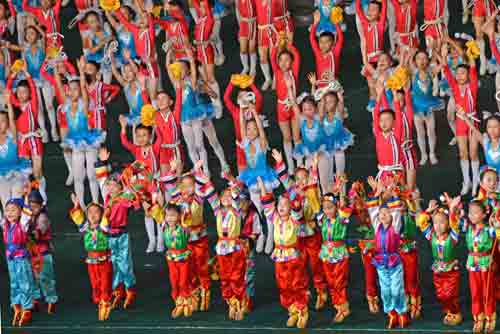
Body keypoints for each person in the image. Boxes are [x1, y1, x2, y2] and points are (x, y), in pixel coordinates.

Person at [258, 177, 309, 329]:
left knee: (296, 282)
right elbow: (267, 204)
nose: (281, 207)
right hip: (279, 254)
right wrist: (262, 186)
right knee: (283, 283)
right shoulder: (275, 218)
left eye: (285, 205)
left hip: (292, 254)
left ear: (290, 208)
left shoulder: (294, 219)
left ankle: (302, 310)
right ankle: (291, 309)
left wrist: (296, 193)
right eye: (279, 205)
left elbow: (297, 207)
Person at [56, 57, 105, 207]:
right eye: (70, 90)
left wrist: (82, 72)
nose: (72, 91)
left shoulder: (85, 104)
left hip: (89, 140)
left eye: (75, 88)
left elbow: (84, 89)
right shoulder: (66, 105)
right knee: (78, 176)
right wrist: (55, 69)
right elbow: (58, 85)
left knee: (91, 175)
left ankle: (96, 201)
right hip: (75, 141)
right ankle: (81, 204)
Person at [95, 147, 138, 310]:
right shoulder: (106, 196)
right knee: (112, 263)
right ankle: (118, 290)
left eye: (115, 185)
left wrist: (130, 177)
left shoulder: (124, 197)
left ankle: (130, 289)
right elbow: (101, 179)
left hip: (122, 235)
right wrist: (103, 162)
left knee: (125, 264)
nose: (111, 188)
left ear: (121, 187)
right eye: (110, 185)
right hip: (108, 236)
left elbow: (135, 199)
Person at [366, 176, 409, 329]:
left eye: (386, 213)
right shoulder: (377, 226)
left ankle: (401, 312)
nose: (383, 215)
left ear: (392, 216)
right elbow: (372, 211)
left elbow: (396, 211)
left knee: (396, 289)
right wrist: (376, 193)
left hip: (394, 262)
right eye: (381, 213)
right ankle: (391, 313)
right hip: (381, 263)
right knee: (385, 291)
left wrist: (392, 194)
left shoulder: (395, 227)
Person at [119, 115, 164, 253]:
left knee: (159, 212)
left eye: (144, 135)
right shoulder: (137, 149)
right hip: (143, 186)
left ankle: (161, 241)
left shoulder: (154, 148)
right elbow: (125, 143)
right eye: (138, 136)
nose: (141, 138)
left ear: (150, 137)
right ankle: (152, 240)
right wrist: (123, 128)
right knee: (148, 213)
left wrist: (156, 126)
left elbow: (161, 139)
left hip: (155, 184)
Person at [416, 193, 463, 325]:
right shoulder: (432, 236)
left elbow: (455, 224)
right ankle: (449, 311)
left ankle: (455, 312)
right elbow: (421, 222)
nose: (438, 225)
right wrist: (428, 211)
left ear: (447, 224)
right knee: (441, 294)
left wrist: (452, 209)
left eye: (442, 222)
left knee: (450, 294)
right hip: (438, 269)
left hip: (450, 270)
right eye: (435, 222)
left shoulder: (452, 237)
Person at [440, 43, 479, 195]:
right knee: (463, 153)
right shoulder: (454, 87)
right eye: (458, 73)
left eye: (463, 73)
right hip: (460, 122)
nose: (459, 75)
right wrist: (443, 56)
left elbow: (473, 67)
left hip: (472, 120)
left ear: (468, 75)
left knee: (473, 153)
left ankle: (476, 182)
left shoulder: (473, 85)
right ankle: (467, 182)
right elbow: (446, 70)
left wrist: (470, 55)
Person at [69, 193, 113, 321]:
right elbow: (78, 218)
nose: (93, 215)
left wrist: (107, 209)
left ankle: (105, 302)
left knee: (105, 282)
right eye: (90, 213)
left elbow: (106, 219)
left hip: (104, 259)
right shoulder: (85, 228)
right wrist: (76, 205)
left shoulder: (103, 228)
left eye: (96, 212)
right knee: (95, 283)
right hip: (91, 260)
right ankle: (100, 300)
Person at [149, 200, 194, 318]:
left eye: (173, 215)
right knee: (174, 281)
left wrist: (184, 204)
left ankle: (186, 300)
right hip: (171, 258)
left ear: (179, 216)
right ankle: (178, 301)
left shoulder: (183, 227)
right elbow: (155, 211)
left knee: (183, 280)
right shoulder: (164, 226)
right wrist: (153, 196)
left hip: (183, 258)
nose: (170, 218)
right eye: (168, 215)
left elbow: (188, 215)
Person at [317, 183, 353, 323]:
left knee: (339, 280)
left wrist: (339, 193)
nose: (327, 211)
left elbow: (346, 209)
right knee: (331, 281)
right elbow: (316, 208)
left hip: (339, 252)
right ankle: (337, 305)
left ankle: (343, 307)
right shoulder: (323, 219)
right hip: (327, 252)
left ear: (336, 207)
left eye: (330, 207)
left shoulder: (341, 219)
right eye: (325, 208)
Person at [462, 200, 500, 332]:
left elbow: (498, 234)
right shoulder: (468, 228)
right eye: (470, 212)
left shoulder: (489, 230)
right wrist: (454, 209)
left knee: (487, 292)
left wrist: (497, 226)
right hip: (473, 263)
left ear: (484, 215)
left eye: (475, 212)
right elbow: (455, 220)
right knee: (475, 292)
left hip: (485, 263)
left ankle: (490, 318)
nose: (472, 215)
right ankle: (478, 318)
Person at [1, 198, 35, 326]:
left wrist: (26, 197)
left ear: (20, 212)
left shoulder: (23, 225)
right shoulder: (5, 225)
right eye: (7, 210)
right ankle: (16, 305)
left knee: (24, 282)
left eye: (13, 210)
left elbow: (27, 213)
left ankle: (27, 308)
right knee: (14, 282)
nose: (9, 213)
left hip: (21, 258)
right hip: (10, 258)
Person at [270, 39, 301, 175]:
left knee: (297, 137)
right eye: (281, 60)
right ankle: (290, 165)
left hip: (293, 107)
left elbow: (297, 55)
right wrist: (277, 45)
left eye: (287, 60)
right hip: (282, 108)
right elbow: (272, 57)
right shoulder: (277, 72)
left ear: (291, 62)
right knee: (287, 138)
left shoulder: (294, 71)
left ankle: (300, 163)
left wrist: (289, 44)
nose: (283, 63)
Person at [26, 190, 58, 313]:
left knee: (45, 277)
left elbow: (38, 233)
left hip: (43, 252)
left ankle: (51, 299)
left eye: (35, 206)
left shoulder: (42, 217)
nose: (33, 208)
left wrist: (26, 235)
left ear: (40, 205)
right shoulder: (29, 217)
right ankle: (35, 299)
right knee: (33, 277)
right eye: (31, 205)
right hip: (32, 252)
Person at [410, 50, 444, 165]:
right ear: (415, 61)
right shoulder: (412, 73)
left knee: (431, 131)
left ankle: (432, 153)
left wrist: (437, 54)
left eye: (424, 58)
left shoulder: (432, 72)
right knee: (420, 132)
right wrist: (409, 54)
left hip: (429, 106)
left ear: (428, 61)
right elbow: (403, 64)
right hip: (417, 107)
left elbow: (443, 64)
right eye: (419, 58)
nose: (422, 61)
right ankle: (424, 154)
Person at [0, 97, 32, 210]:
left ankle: (21, 224)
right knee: (5, 202)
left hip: (16, 173)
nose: (0, 124)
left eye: (3, 121)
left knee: (17, 201)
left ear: (8, 123)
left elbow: (12, 119)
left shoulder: (12, 138)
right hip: (1, 176)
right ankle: (8, 226)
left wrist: (8, 103)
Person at [235, 0, 257, 76]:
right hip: (243, 25)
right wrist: (240, 26)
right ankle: (245, 67)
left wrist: (255, 19)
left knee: (251, 49)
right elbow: (238, 14)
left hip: (253, 23)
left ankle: (253, 69)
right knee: (243, 49)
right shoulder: (238, 1)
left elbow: (260, 11)